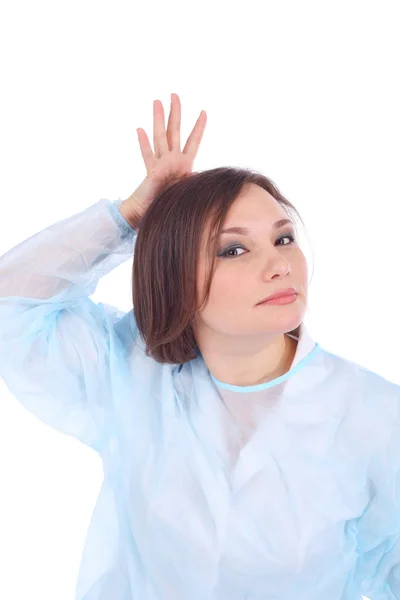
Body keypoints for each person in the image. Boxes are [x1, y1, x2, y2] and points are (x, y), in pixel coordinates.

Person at [0, 93, 400, 600]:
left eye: (283, 239)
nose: (278, 265)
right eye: (234, 249)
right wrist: (127, 219)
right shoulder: (129, 372)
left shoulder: (375, 417)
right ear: (175, 277)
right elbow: (9, 301)